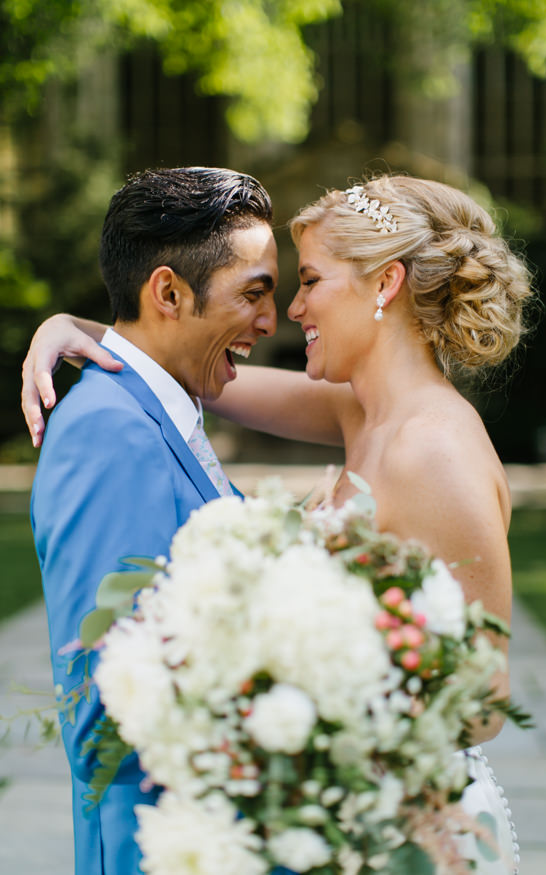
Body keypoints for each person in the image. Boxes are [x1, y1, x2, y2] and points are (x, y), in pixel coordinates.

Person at [23, 174, 532, 873]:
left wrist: (296, 676)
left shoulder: (434, 450)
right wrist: (70, 328)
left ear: (384, 284)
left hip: (409, 828)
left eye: (310, 280)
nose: (290, 310)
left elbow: (480, 701)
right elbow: (176, 364)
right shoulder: (361, 411)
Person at [29, 166, 280, 875]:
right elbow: (104, 718)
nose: (270, 319)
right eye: (254, 293)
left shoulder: (164, 408)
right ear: (168, 291)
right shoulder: (110, 431)